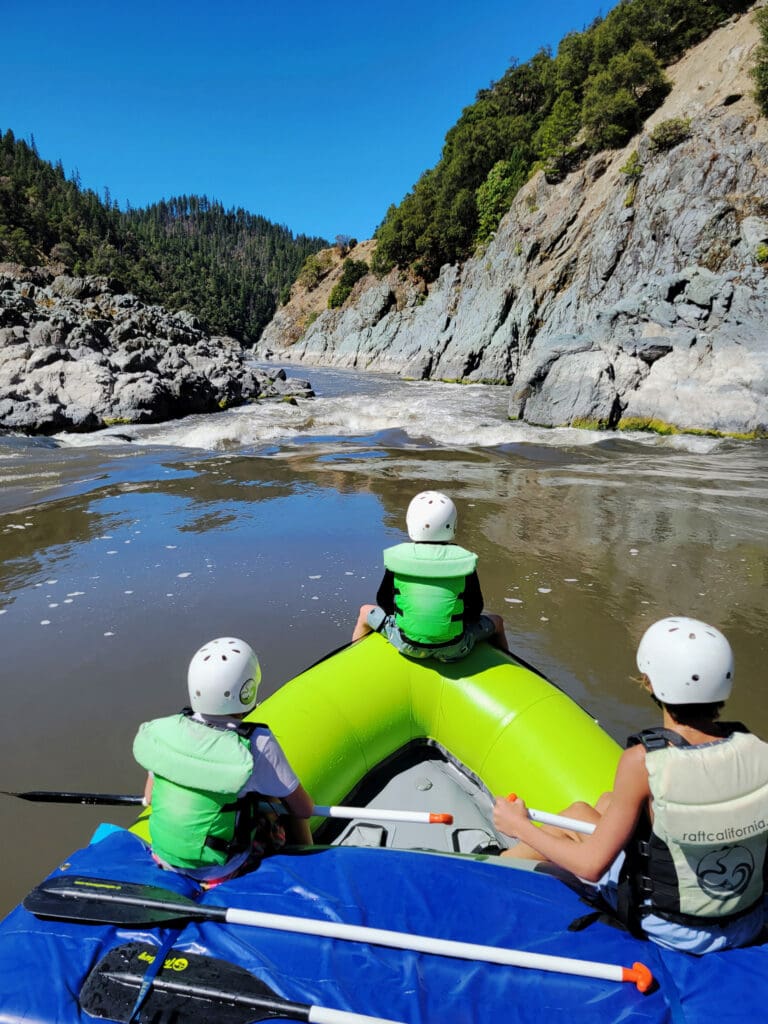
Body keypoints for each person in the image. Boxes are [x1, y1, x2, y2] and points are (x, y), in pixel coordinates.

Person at [492, 616, 768, 953]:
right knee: (604, 803)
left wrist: (519, 825)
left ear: (650, 682)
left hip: (675, 928)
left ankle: (492, 868)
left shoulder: (643, 762)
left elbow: (592, 866)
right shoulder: (758, 750)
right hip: (746, 920)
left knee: (567, 822)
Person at [133, 636, 314, 885]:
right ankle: (308, 870)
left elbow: (150, 797)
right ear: (247, 690)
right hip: (220, 868)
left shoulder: (166, 732)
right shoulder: (257, 743)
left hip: (163, 857)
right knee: (278, 804)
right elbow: (304, 809)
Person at [352, 490, 509, 661]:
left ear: (411, 522)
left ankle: (352, 660)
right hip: (455, 648)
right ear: (452, 524)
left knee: (364, 611)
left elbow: (383, 601)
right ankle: (508, 664)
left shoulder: (399, 558)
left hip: (406, 645)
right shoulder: (463, 561)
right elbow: (475, 608)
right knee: (497, 621)